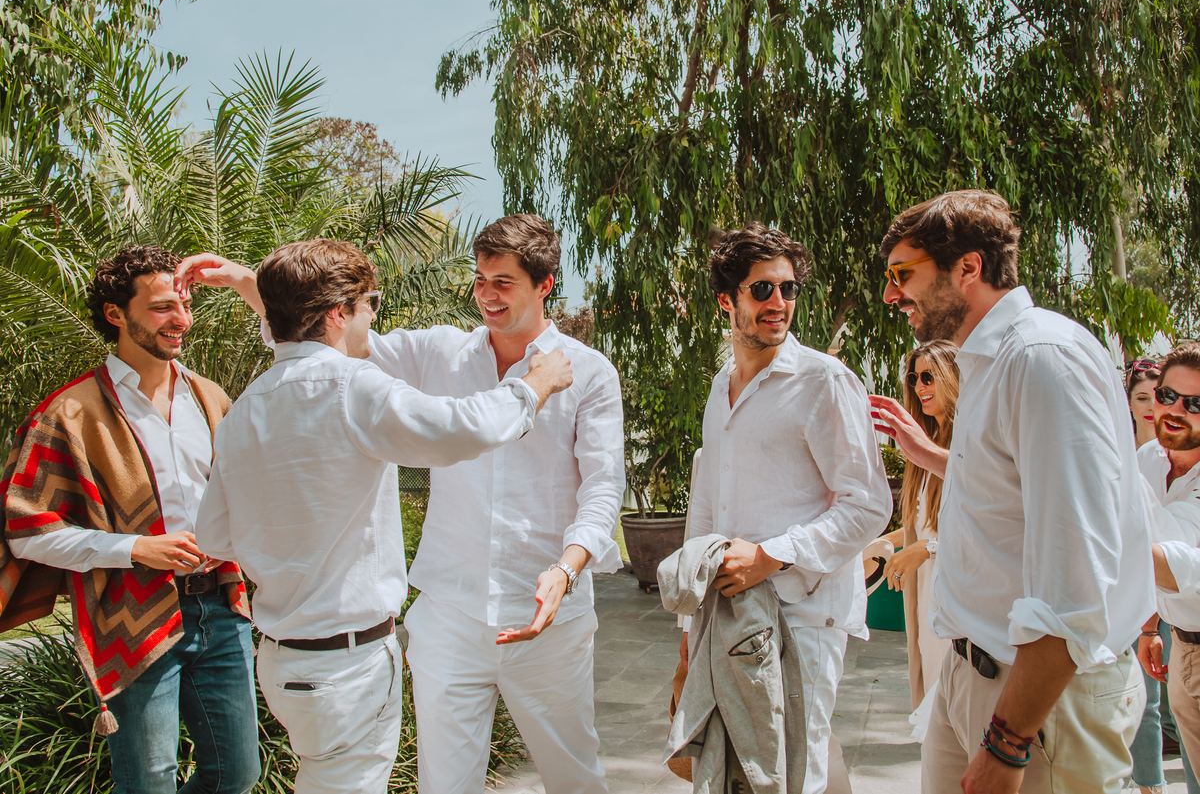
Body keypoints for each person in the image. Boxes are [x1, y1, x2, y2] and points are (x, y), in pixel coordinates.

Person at [179, 215, 624, 794]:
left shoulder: (588, 372)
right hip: (448, 614)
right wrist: (250, 283)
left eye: (503, 282)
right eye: (480, 278)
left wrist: (567, 569)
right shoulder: (438, 352)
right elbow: (328, 344)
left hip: (547, 616)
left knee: (575, 776)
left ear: (544, 285)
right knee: (444, 784)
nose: (486, 294)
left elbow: (602, 487)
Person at [879, 189, 1151, 794]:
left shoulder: (1040, 359)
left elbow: (1073, 573)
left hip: (1034, 703)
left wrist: (1008, 740)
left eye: (904, 274)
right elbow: (1005, 501)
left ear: (969, 268)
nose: (892, 294)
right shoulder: (988, 363)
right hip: (971, 675)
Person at [0, 246, 260, 794]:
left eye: (185, 305)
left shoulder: (210, 398)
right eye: (164, 307)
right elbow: (26, 532)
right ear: (117, 314)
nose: (182, 320)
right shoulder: (69, 414)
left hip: (222, 603)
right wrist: (136, 549)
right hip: (133, 612)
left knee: (236, 774)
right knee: (148, 781)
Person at [684, 222, 893, 794]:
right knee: (734, 774)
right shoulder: (720, 385)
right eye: (762, 289)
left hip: (802, 616)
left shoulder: (824, 381)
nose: (780, 302)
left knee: (793, 773)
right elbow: (706, 512)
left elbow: (868, 504)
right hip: (726, 618)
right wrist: (689, 640)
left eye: (789, 288)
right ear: (727, 300)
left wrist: (772, 556)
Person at [871, 339, 958, 740]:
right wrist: (876, 548)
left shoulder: (965, 447)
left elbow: (985, 523)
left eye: (928, 376)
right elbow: (920, 525)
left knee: (954, 709)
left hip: (956, 601)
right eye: (914, 377)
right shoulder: (922, 450)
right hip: (925, 597)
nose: (920, 386)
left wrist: (925, 550)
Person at [1137, 342, 1200, 793]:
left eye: (1195, 404)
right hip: (1182, 645)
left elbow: (1175, 565)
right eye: (1167, 396)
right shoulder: (1148, 460)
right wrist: (1148, 628)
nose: (1176, 410)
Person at [1126, 357, 1172, 794]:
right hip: (1146, 595)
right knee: (1148, 699)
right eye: (1143, 397)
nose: (1153, 406)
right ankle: (1150, 784)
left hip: (1178, 588)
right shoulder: (1133, 457)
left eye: (1161, 396)